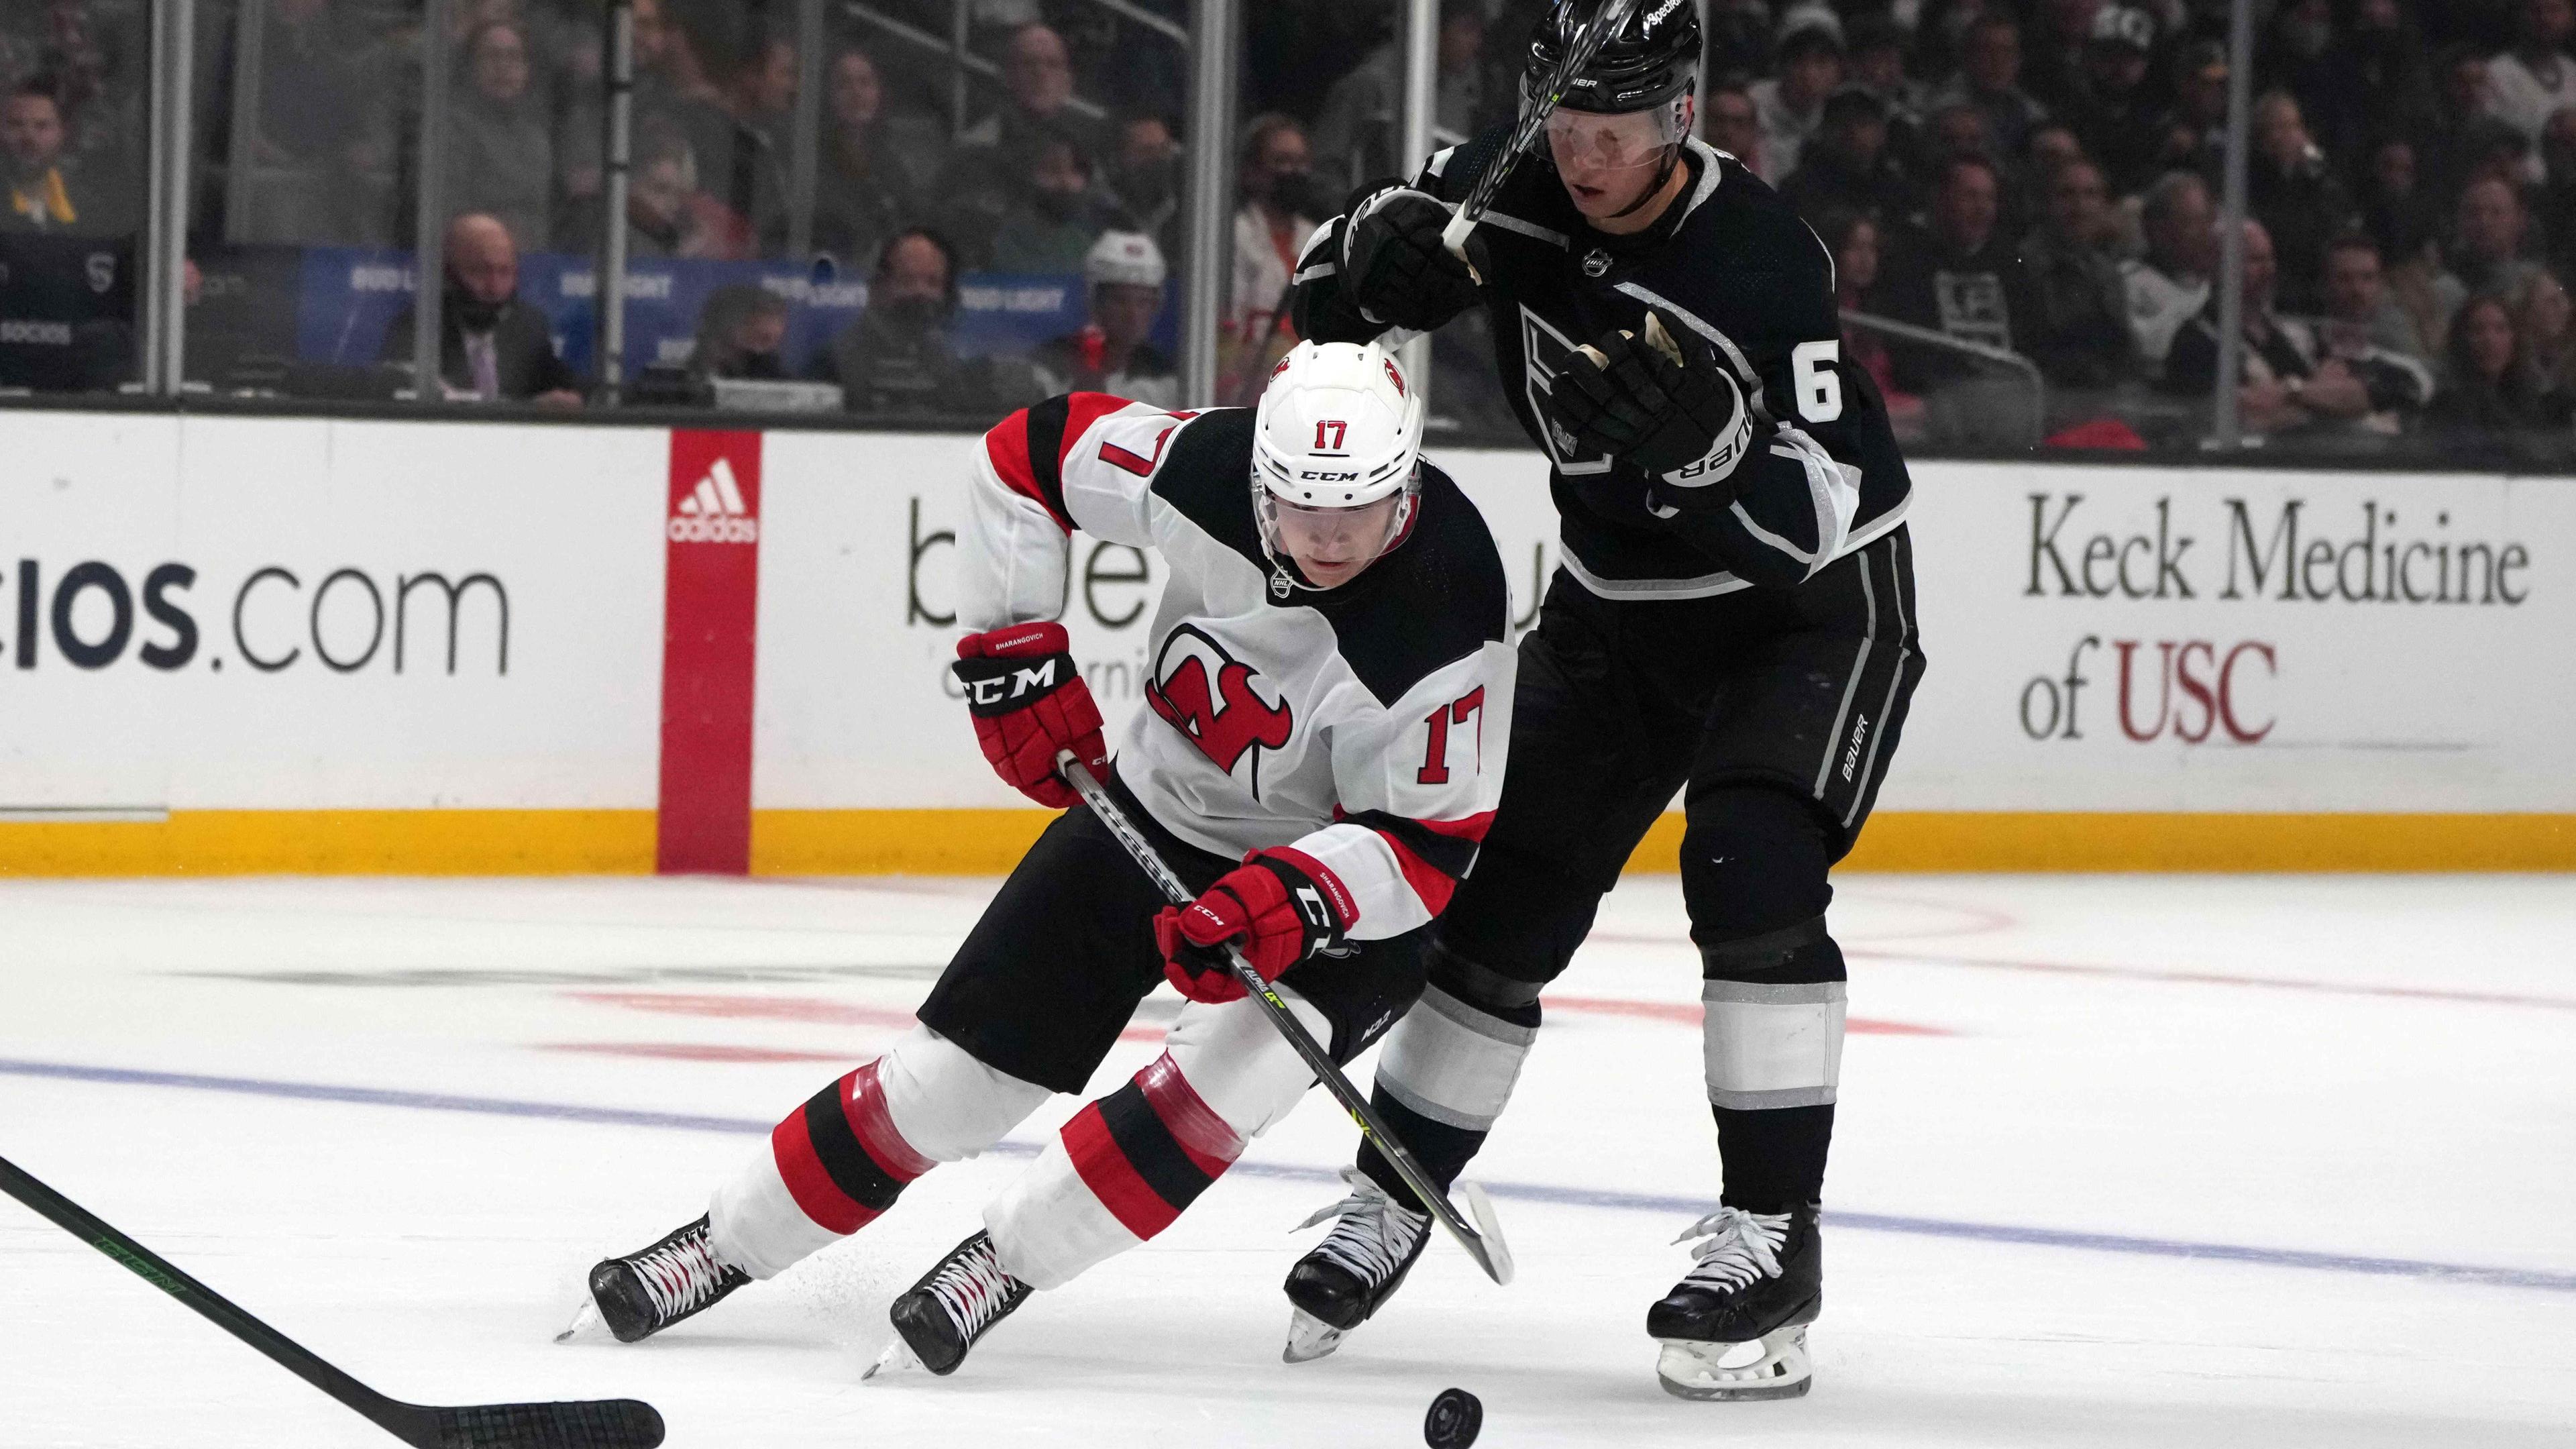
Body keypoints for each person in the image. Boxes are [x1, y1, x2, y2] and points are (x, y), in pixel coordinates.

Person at [569, 340, 1515, 1379]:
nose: (1331, 540)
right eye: (1302, 509)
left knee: (1210, 1092)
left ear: (1407, 483)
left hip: (1333, 889)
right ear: (1259, 481)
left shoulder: (1447, 600)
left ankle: (1003, 1264)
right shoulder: (1202, 467)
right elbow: (1025, 456)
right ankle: (723, 1242)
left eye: (1361, 512)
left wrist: (1293, 896)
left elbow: (1427, 849)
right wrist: (1012, 645)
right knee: (949, 1087)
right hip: (1152, 815)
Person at [1289, 0, 1919, 1400]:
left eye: (1615, 133)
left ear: (1680, 119)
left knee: (1749, 859)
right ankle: (1401, 1183)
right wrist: (1356, 264)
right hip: (1612, 605)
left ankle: (1769, 1236)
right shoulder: (1499, 186)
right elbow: (1320, 322)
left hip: (1808, 611)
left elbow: (1807, 521)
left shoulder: (1761, 260)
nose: (1583, 156)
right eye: (1567, 127)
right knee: (1509, 894)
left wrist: (1710, 458)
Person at [2163, 220, 2379, 439]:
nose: (2268, 269)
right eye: (2255, 260)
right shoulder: (2195, 341)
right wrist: (2320, 395)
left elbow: (2358, 397)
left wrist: (2292, 392)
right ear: (2217, 266)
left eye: (2270, 258)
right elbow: (2240, 418)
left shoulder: (2295, 334)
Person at [378, 213, 581, 407]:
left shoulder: (529, 327)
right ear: (449, 274)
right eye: (480, 271)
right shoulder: (418, 332)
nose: (494, 287)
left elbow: (567, 389)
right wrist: (528, 408)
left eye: (505, 272)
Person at [1222, 114, 1321, 400]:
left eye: (1301, 162)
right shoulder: (1234, 234)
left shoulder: (1318, 237)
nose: (1294, 172)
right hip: (1249, 385)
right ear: (1252, 172)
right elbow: (1229, 326)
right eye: (1281, 162)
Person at [827, 226, 969, 415]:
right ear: (878, 287)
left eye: (933, 282)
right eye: (907, 280)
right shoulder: (836, 363)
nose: (921, 292)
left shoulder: (950, 367)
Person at [2019, 158, 2135, 388]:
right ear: (2046, 202)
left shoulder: (2107, 272)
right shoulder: (2021, 265)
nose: (2080, 207)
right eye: (2067, 194)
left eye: (2091, 194)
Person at [1032, 230, 1175, 405]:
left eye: (1143, 303)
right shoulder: (1053, 366)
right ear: (1096, 303)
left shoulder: (1165, 376)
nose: (1132, 315)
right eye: (1120, 301)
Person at [446, 21, 553, 252]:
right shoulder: (453, 128)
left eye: (513, 57)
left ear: (527, 69)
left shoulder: (538, 137)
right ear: (473, 66)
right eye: (493, 56)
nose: (503, 66)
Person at [2427, 292, 2569, 433]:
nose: (2490, 340)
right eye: (2478, 330)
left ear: (2514, 337)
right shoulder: (2449, 403)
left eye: (2500, 329)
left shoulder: (2527, 398)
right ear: (2462, 340)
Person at [2123, 171, 2216, 377]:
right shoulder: (2127, 283)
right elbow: (2142, 349)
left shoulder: (2221, 285)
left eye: (2207, 220)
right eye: (2191, 222)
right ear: (2156, 228)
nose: (2205, 232)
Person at [1777, 86, 1914, 225]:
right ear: (1825, 132)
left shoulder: (1896, 189)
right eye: (1842, 123)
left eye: (1863, 123)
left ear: (1881, 132)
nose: (1853, 133)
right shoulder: (1800, 190)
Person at [1748, 10, 1842, 181]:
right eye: (1799, 61)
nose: (1810, 74)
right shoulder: (1750, 108)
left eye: (1821, 62)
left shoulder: (1842, 115)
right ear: (1781, 65)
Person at [0, 83, 93, 231]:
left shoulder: (89, 207)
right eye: (17, 124)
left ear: (62, 133)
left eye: (41, 126)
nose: (29, 137)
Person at [2485, 0, 2576, 150]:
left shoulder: (2572, 70)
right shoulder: (2496, 75)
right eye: (2535, 10)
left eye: (2554, 10)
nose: (2545, 18)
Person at [687, 282, 792, 384]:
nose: (772, 332)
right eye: (763, 337)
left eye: (780, 322)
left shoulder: (771, 371)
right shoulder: (691, 376)